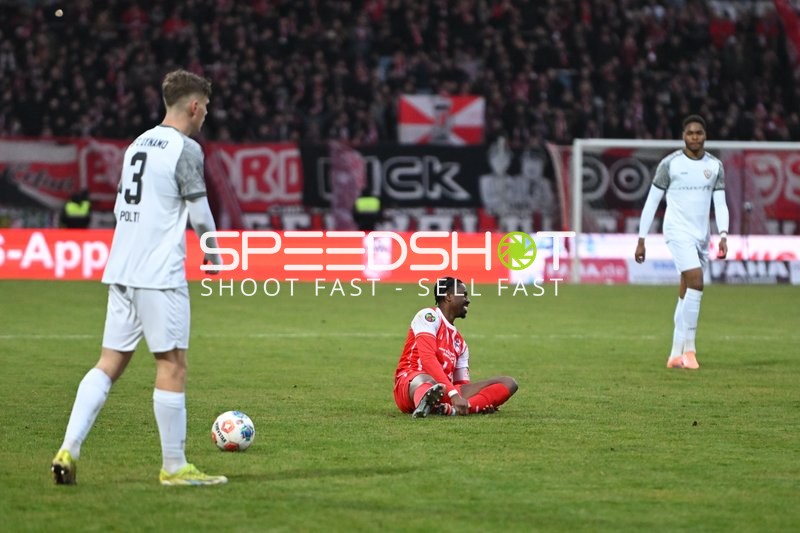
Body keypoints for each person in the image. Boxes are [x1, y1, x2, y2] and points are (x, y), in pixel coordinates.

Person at [51, 69, 227, 486]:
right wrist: (213, 253)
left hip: (123, 268)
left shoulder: (136, 145)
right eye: (206, 109)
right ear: (195, 106)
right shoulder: (186, 148)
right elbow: (199, 213)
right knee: (171, 364)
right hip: (158, 272)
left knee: (108, 363)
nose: (205, 117)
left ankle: (68, 449)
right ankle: (174, 467)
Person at [635, 114, 729, 370]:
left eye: (699, 133)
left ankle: (675, 354)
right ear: (683, 136)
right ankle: (690, 350)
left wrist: (723, 234)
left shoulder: (715, 166)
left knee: (686, 291)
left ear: (705, 135)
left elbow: (720, 203)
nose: (695, 137)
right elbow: (651, 202)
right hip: (677, 231)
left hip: (702, 235)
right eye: (690, 133)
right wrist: (641, 239)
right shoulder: (670, 164)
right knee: (697, 282)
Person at [393, 277, 518, 417]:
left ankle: (454, 409)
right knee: (427, 380)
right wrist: (453, 394)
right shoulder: (429, 316)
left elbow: (462, 385)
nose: (468, 300)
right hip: (409, 385)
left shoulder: (461, 344)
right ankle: (424, 402)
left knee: (509, 383)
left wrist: (481, 400)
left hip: (445, 391)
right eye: (464, 294)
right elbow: (428, 359)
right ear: (448, 297)